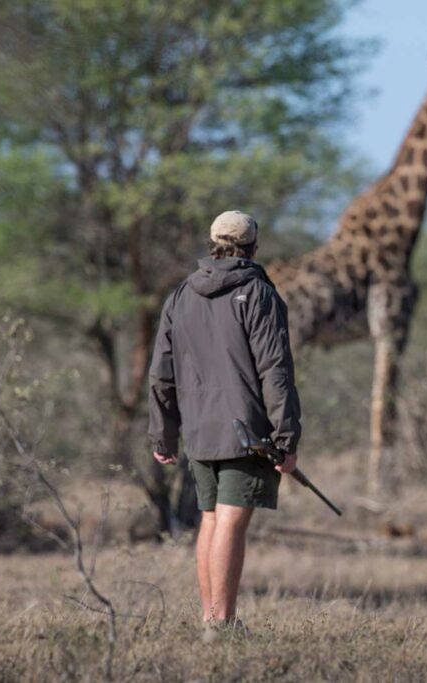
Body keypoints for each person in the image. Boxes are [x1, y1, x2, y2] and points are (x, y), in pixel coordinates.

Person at [147, 210, 301, 640]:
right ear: (253, 246)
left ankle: (211, 619)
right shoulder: (258, 292)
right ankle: (222, 624)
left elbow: (161, 373)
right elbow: (275, 371)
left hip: (199, 432)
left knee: (211, 519)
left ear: (212, 243)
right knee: (230, 521)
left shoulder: (181, 294)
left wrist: (163, 434)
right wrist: (286, 437)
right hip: (247, 434)